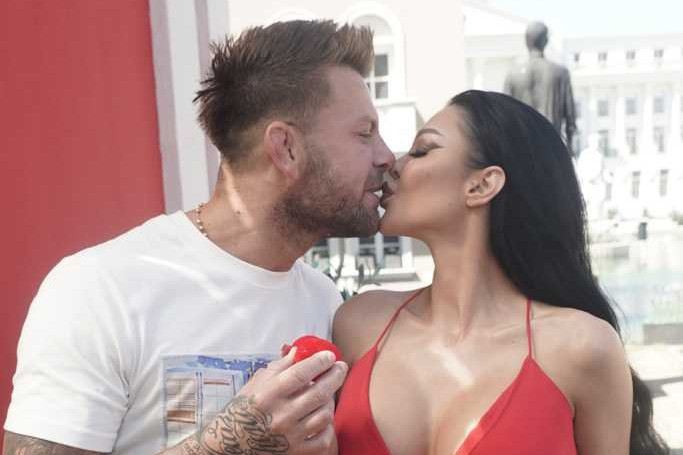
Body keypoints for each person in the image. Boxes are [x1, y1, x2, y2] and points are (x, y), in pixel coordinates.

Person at [4, 20, 395, 455]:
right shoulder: (101, 287)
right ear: (285, 148)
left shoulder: (323, 299)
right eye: (364, 134)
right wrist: (222, 444)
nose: (386, 156)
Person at [334, 90, 668, 455]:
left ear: (482, 184)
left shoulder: (582, 348)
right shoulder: (358, 323)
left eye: (421, 151)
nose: (394, 165)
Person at [504, 22, 578, 157]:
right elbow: (570, 121)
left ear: (526, 41)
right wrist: (570, 154)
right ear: (546, 41)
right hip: (551, 149)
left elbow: (505, 120)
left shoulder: (512, 74)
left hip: (522, 150)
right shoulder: (560, 73)